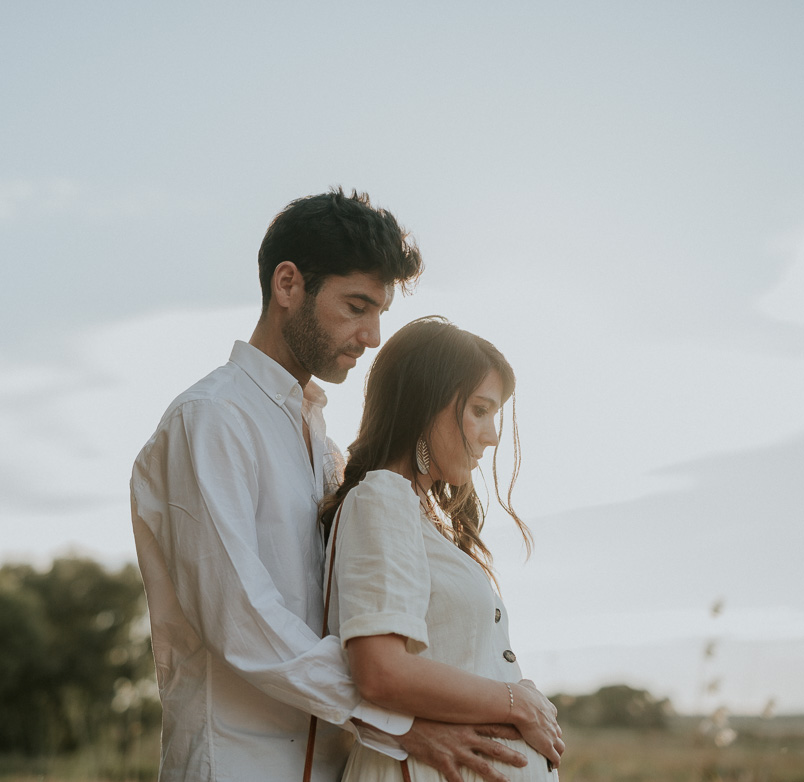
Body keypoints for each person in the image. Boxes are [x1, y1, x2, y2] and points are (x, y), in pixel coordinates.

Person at [130, 189, 561, 782]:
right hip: (240, 763)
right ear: (288, 286)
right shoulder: (213, 419)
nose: (374, 334)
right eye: (357, 306)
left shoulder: (327, 453)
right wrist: (403, 722)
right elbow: (243, 620)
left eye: (380, 311)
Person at [320, 316, 565, 781]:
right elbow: (381, 672)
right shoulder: (383, 499)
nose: (491, 435)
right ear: (424, 404)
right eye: (478, 410)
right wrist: (517, 702)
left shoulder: (411, 512)